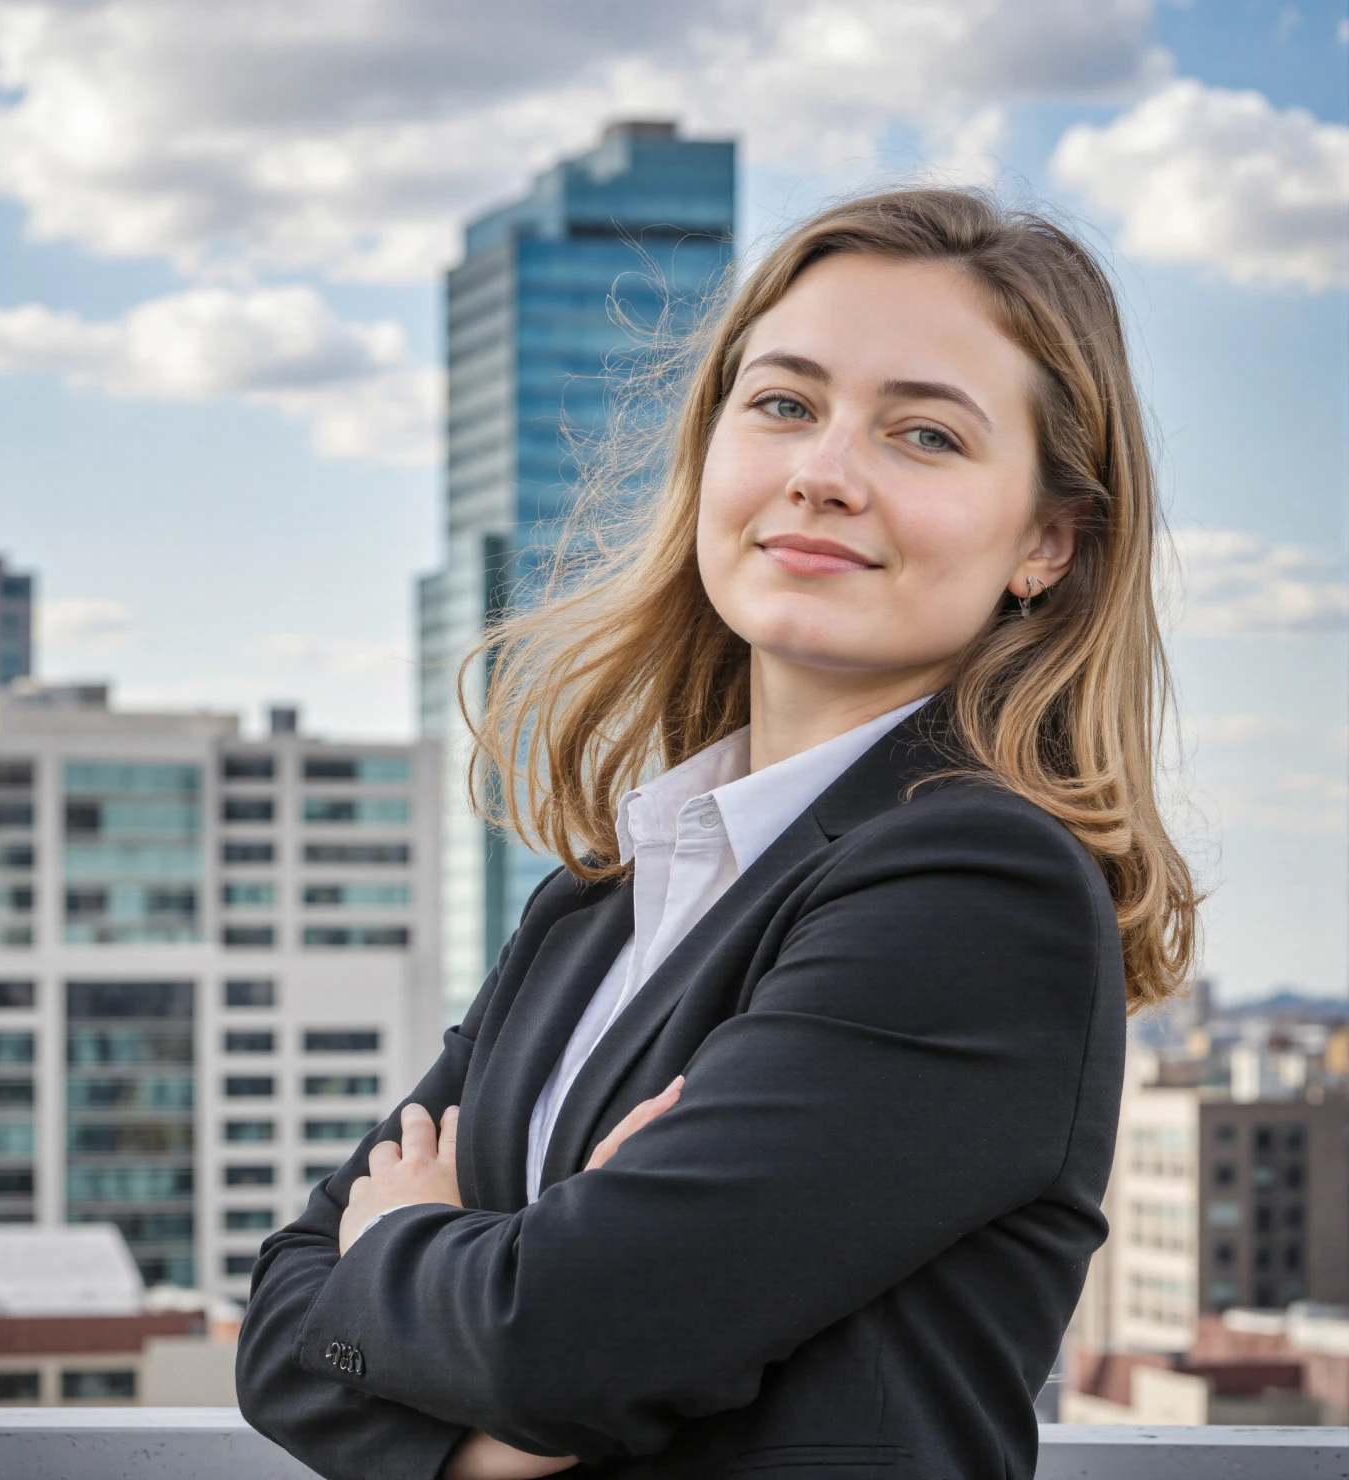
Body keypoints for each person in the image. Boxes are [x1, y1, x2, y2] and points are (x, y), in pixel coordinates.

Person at [235, 187, 1200, 1480]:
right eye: (785, 405)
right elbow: (283, 1333)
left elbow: (567, 1344)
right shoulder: (599, 902)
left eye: (923, 435)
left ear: (1047, 541)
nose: (824, 473)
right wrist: (504, 1421)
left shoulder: (980, 887)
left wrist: (416, 1259)